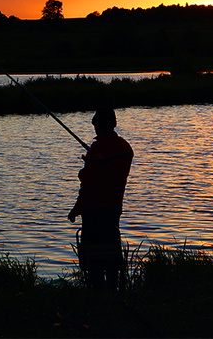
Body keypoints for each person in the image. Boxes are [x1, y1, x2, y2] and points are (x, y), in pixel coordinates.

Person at [67, 107, 133, 291]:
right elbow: (110, 170)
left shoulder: (97, 150)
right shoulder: (125, 147)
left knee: (94, 258)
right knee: (111, 253)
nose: (94, 128)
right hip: (114, 208)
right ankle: (113, 291)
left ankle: (97, 294)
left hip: (94, 210)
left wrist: (76, 209)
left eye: (95, 125)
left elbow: (87, 186)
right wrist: (93, 161)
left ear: (99, 125)